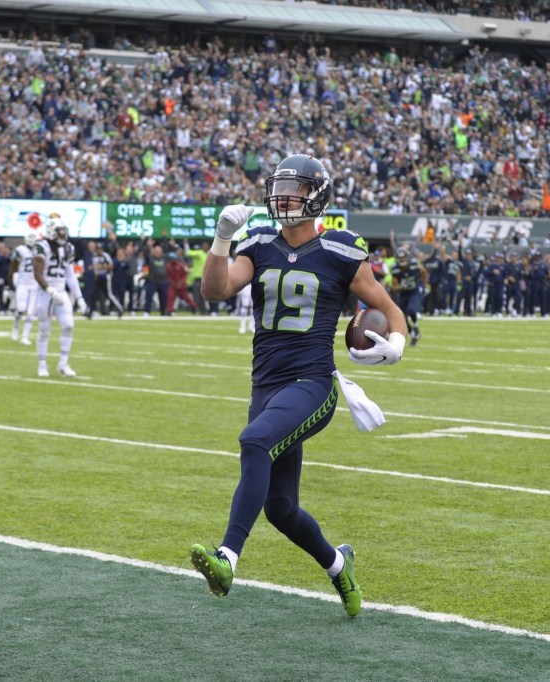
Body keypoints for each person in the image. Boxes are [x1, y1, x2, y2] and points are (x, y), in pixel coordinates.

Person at [189, 154, 406, 618]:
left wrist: (397, 343)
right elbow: (215, 289)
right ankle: (338, 565)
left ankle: (226, 559)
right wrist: (222, 239)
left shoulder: (341, 249)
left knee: (255, 441)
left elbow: (391, 311)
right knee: (282, 510)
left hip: (312, 384)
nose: (284, 197)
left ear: (318, 195)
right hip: (265, 386)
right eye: (280, 188)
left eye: (296, 189)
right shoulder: (260, 242)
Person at [32, 215, 87, 377]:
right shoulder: (42, 247)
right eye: (60, 231)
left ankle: (63, 364)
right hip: (45, 293)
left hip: (61, 292)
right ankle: (42, 365)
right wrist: (50, 291)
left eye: (64, 230)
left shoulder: (69, 248)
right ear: (51, 232)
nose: (63, 234)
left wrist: (80, 298)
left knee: (69, 325)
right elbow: (37, 273)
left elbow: (70, 275)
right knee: (44, 329)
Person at [9, 230, 41, 344]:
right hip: (23, 283)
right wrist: (11, 280)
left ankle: (24, 337)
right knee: (21, 309)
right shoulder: (20, 250)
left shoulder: (39, 251)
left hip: (34, 284)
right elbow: (14, 265)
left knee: (31, 312)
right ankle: (16, 327)